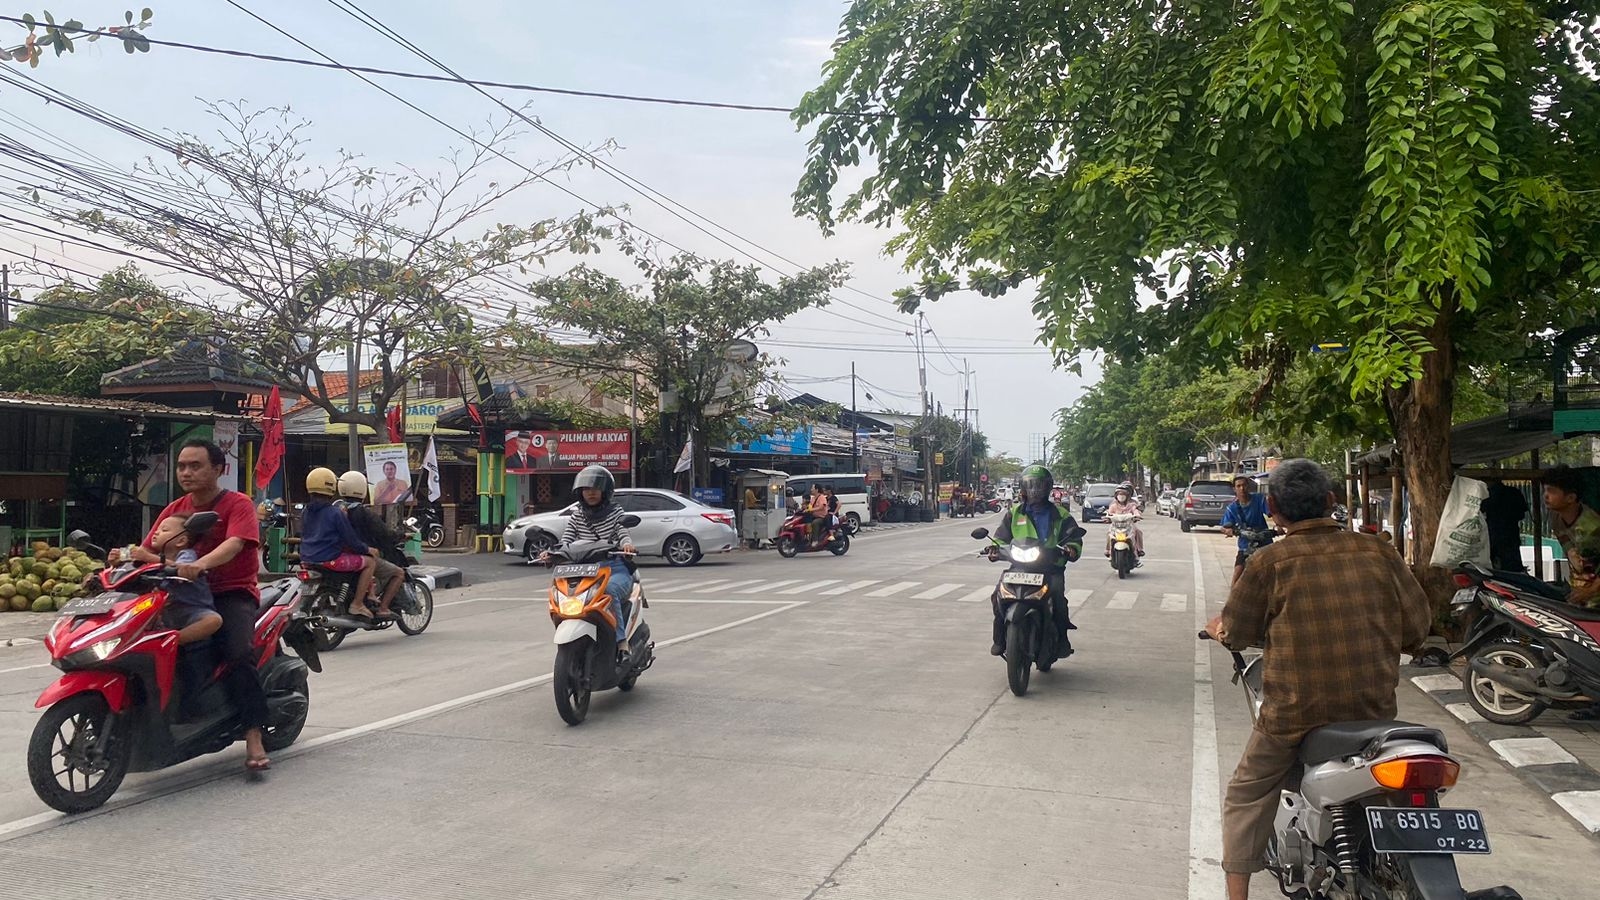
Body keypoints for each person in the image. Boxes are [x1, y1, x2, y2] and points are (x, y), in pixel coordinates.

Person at [1204, 459, 1431, 900]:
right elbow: (1417, 629)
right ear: (1330, 502)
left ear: (1272, 508)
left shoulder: (1270, 561)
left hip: (1294, 717)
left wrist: (1218, 629)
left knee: (1245, 796)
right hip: (1376, 716)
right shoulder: (1379, 551)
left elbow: (1240, 631)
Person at [112, 440, 271, 771]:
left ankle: (254, 733)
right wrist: (123, 559)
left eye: (195, 465)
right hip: (175, 593)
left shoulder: (238, 504)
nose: (186, 472)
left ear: (218, 469)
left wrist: (201, 564)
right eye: (182, 466)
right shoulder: (174, 509)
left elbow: (234, 543)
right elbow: (148, 549)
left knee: (238, 653)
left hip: (228, 591)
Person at [539, 465, 639, 650]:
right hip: (584, 570)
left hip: (613, 568)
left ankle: (621, 641)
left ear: (605, 491)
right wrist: (551, 554)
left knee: (608, 591)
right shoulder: (577, 515)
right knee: (563, 591)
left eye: (595, 489)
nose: (590, 493)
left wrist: (627, 544)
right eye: (586, 489)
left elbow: (623, 531)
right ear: (580, 492)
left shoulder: (615, 512)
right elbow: (566, 540)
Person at [990, 465, 1083, 658]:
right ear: (1023, 488)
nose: (1034, 490)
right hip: (1020, 565)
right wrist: (994, 549)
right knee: (997, 594)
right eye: (1030, 485)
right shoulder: (1014, 513)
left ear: (1047, 488)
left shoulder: (1061, 514)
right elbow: (1001, 537)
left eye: (1039, 485)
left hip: (1050, 567)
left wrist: (1072, 549)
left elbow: (1074, 538)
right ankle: (999, 638)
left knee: (1057, 597)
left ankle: (1063, 639)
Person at [1540, 465, 1600, 720]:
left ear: (1571, 497)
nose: (1546, 496)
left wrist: (1590, 591)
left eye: (1552, 491)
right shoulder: (1556, 520)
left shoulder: (1593, 525)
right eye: (1545, 491)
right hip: (1579, 595)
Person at [299, 467, 382, 621]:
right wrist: (367, 549)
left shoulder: (305, 511)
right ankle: (357, 604)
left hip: (307, 558)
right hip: (331, 559)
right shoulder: (335, 513)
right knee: (370, 562)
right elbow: (351, 540)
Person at [336, 470, 407, 617]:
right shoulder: (363, 512)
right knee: (399, 573)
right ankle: (383, 608)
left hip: (339, 554)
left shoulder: (336, 509)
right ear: (361, 489)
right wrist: (400, 535)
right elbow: (384, 534)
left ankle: (370, 594)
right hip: (360, 554)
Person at [1221, 475, 1273, 585]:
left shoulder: (1259, 499)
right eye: (1238, 486)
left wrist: (1278, 526)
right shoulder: (1232, 508)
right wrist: (1229, 531)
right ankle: (1233, 599)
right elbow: (1224, 527)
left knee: (1275, 571)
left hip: (1265, 542)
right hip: (1246, 546)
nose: (1242, 488)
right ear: (1234, 489)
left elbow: (1272, 513)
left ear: (1248, 487)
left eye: (1244, 485)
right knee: (1237, 574)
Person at [1481, 480, 1529, 573]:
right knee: (1513, 569)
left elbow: (1480, 513)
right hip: (1510, 537)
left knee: (1488, 570)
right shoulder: (1513, 492)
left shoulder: (1486, 494)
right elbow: (1521, 515)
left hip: (1491, 536)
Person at [1104, 483, 1145, 560]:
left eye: (1123, 494)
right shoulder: (1113, 505)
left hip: (1128, 525)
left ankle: (1139, 549)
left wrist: (1137, 516)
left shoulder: (1131, 504)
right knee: (1109, 534)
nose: (1121, 496)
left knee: (1138, 531)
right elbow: (1109, 513)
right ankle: (1108, 550)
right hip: (1116, 526)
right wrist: (1107, 517)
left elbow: (1135, 511)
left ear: (1128, 495)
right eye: (1119, 494)